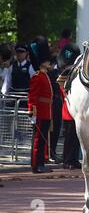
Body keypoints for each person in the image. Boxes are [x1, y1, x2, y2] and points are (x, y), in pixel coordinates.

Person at [28, 36, 53, 174]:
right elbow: (33, 95)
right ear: (41, 61)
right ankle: (36, 164)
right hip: (40, 112)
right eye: (46, 60)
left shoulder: (45, 75)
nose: (49, 62)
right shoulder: (37, 76)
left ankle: (41, 163)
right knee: (38, 139)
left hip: (46, 111)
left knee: (43, 140)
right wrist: (32, 111)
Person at [56, 43, 82, 169]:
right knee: (69, 138)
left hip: (74, 111)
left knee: (76, 138)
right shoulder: (64, 77)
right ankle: (67, 160)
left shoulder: (71, 75)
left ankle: (73, 159)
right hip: (68, 111)